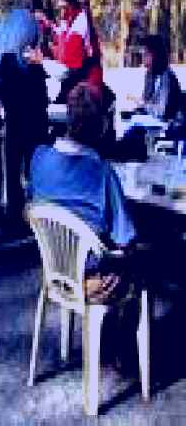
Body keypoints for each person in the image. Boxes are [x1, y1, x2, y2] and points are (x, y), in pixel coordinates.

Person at [30, 83, 138, 305]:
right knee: (143, 262)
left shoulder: (38, 157)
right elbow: (125, 239)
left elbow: (35, 204)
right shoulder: (103, 174)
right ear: (103, 126)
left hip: (53, 269)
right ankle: (127, 337)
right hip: (92, 279)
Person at [0, 0, 50, 229]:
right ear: (31, 2)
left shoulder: (4, 23)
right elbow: (34, 61)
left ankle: (13, 207)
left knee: (11, 154)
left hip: (9, 95)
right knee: (34, 154)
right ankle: (37, 209)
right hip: (29, 95)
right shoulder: (33, 25)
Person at [139, 34, 182, 121]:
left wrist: (143, 105)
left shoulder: (167, 78)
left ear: (155, 55)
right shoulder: (149, 75)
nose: (143, 56)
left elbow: (160, 111)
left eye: (146, 53)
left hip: (169, 127)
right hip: (152, 122)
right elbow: (146, 100)